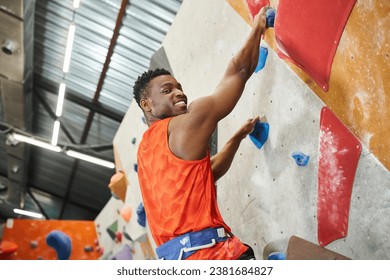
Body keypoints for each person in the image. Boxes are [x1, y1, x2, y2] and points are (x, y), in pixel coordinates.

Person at [133, 6, 269, 260]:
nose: (179, 93)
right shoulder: (186, 123)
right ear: (147, 105)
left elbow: (209, 172)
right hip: (213, 257)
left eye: (179, 87)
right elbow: (239, 71)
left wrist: (237, 138)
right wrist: (258, 27)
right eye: (167, 90)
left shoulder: (146, 152)